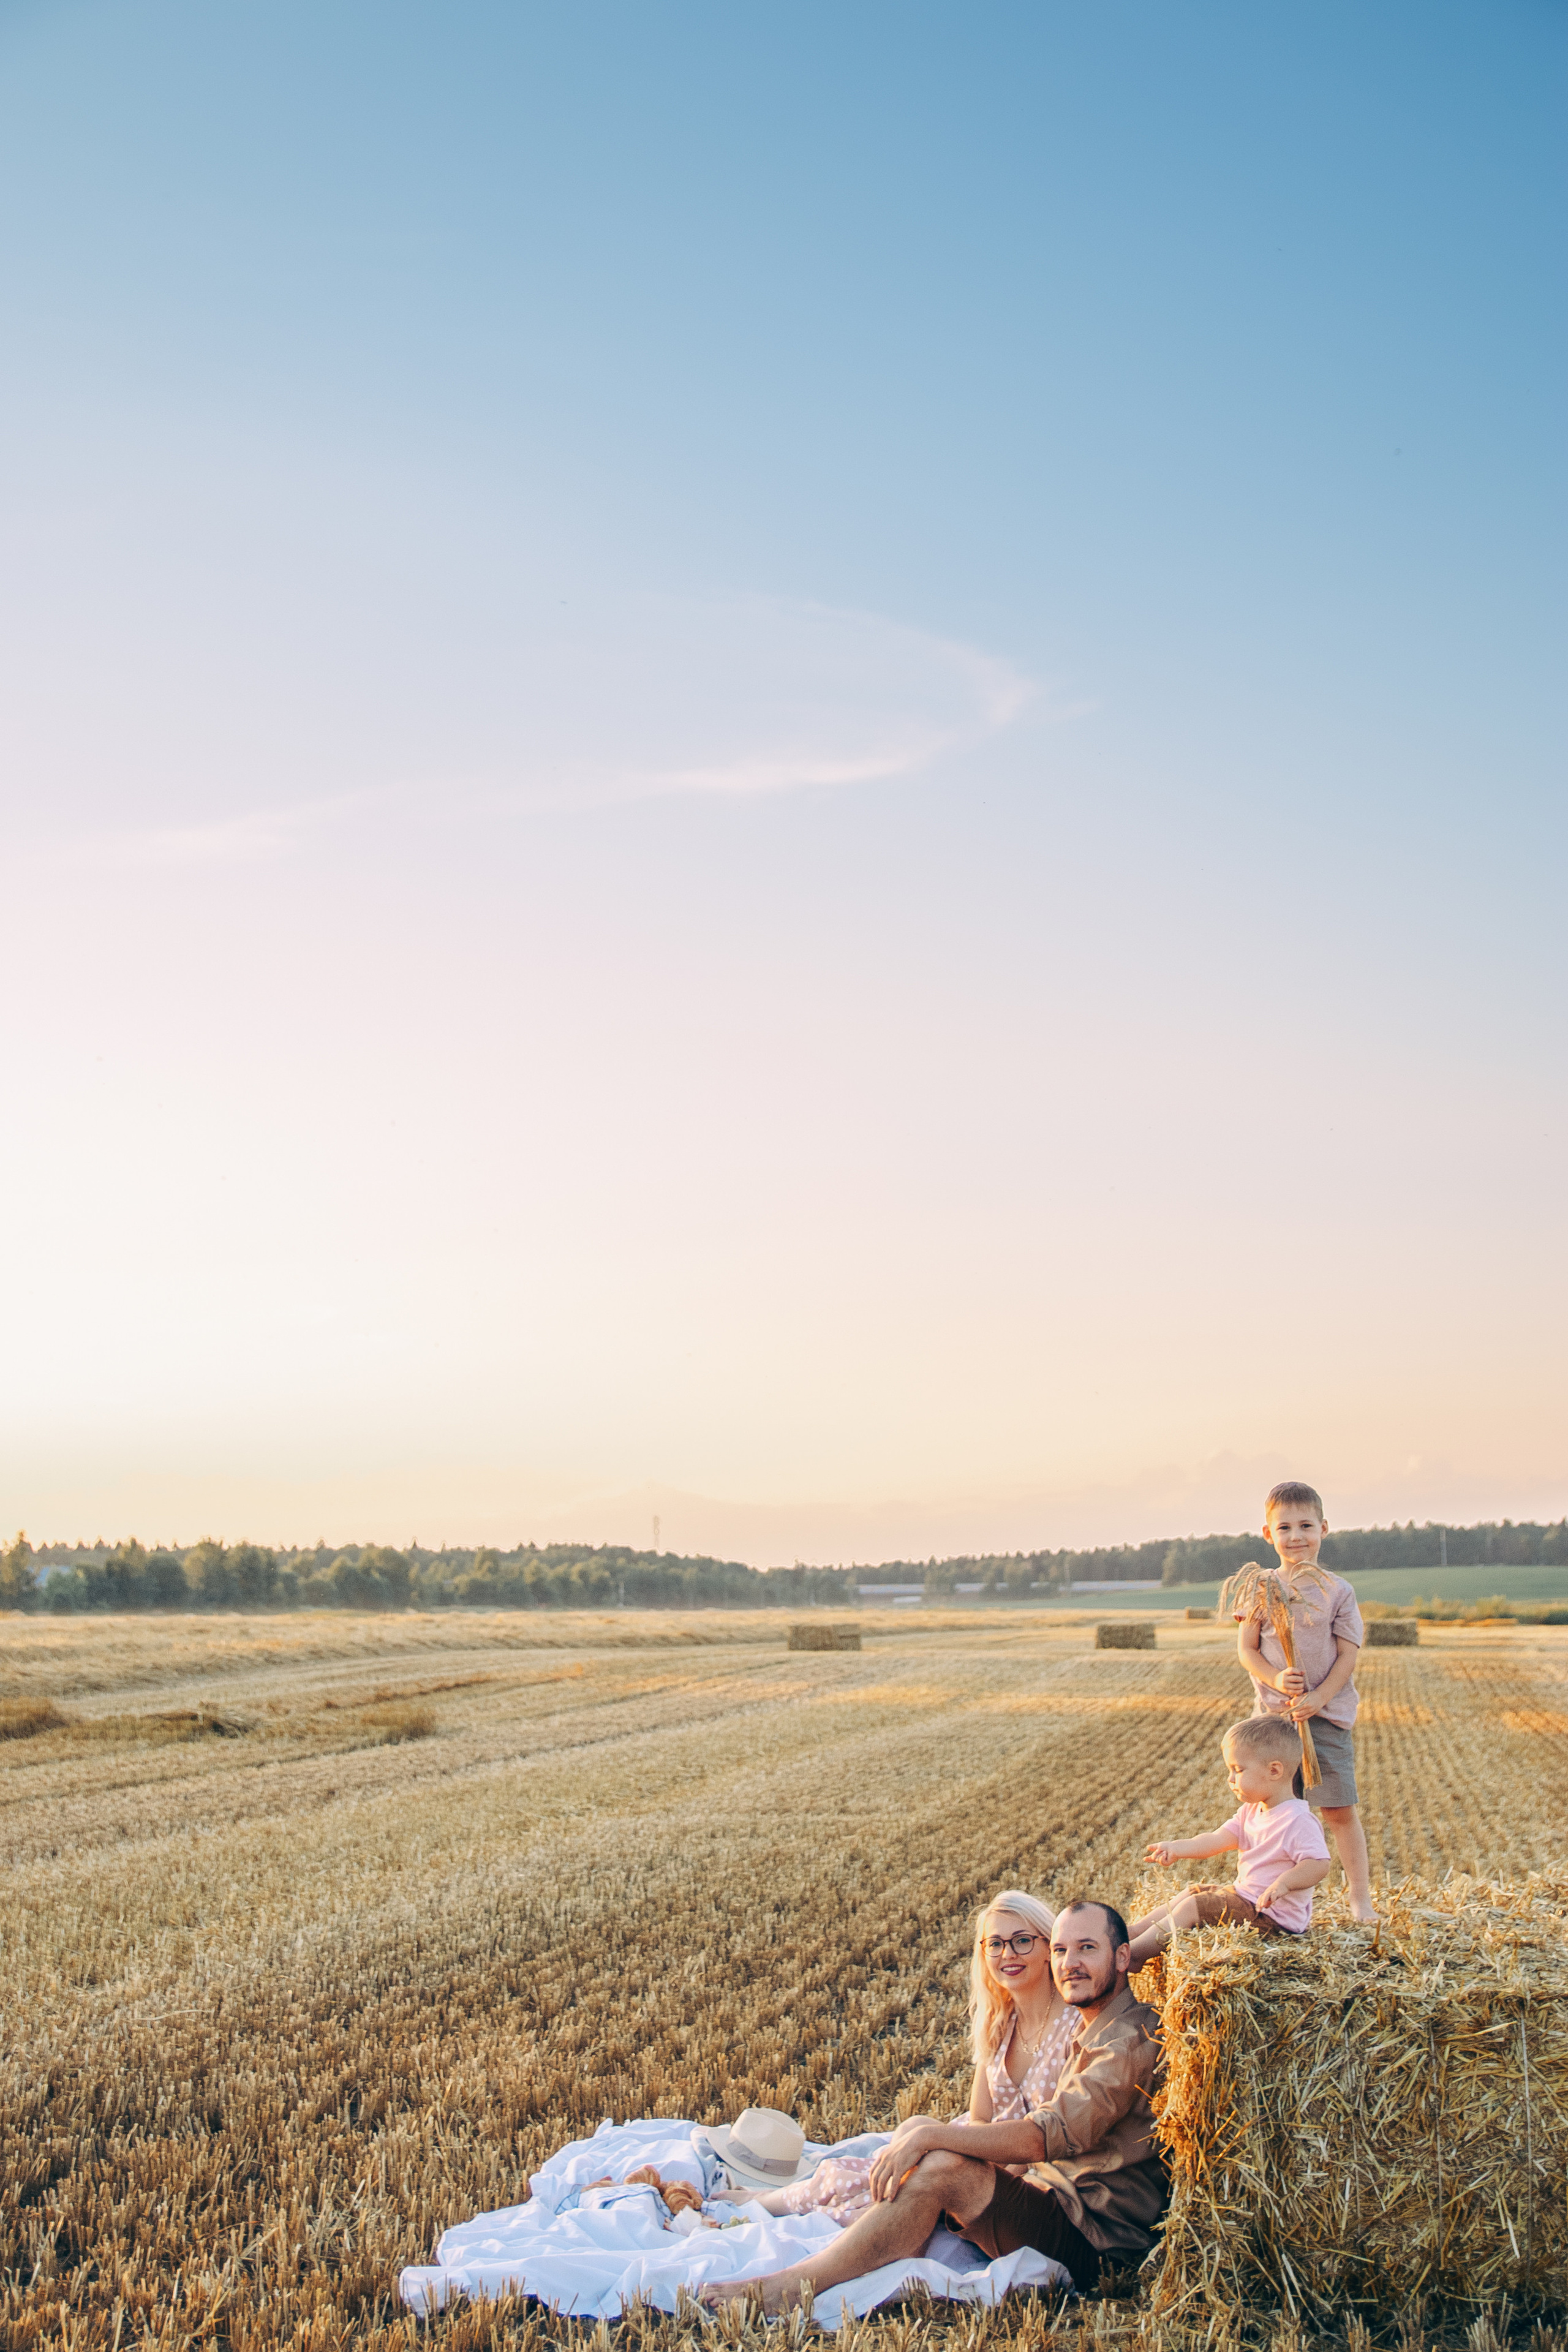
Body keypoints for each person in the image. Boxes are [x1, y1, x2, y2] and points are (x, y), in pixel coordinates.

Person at [700, 1901, 1165, 2313]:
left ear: (1124, 1957)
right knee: (929, 2157)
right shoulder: (1099, 2026)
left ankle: (793, 2285)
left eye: (1087, 1949)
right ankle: (872, 2237)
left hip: (1093, 2242)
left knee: (942, 2164)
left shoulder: (1124, 2044)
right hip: (1055, 2201)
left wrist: (932, 2136)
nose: (1069, 1963)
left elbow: (1044, 2136)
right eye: (1062, 1951)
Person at [739, 1891, 1078, 2230]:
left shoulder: (1075, 2026)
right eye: (995, 1944)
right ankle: (774, 2205)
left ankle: (770, 2205)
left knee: (893, 2174)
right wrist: (966, 2155)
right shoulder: (1000, 2021)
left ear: (1050, 1946)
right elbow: (979, 2117)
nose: (1008, 1954)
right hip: (983, 2152)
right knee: (905, 2138)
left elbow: (1047, 2139)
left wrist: (979, 2170)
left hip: (1028, 2178)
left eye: (1022, 1941)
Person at [1229, 1480, 1376, 1922]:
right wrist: (1276, 1677)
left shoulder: (1339, 1591)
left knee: (1338, 1810)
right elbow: (1247, 1650)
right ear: (1268, 1533)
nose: (1296, 1537)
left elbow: (1348, 1654)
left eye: (1306, 1526)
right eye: (1285, 1527)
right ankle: (1262, 1897)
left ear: (1324, 1528)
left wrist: (1319, 1698)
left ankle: (1360, 1901)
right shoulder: (1260, 1587)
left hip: (1326, 1717)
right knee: (1271, 1816)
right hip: (1274, 1723)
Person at [1125, 1716, 1331, 1966]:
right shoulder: (1251, 1812)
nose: (1230, 1779)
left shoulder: (1298, 1821)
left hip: (1272, 1918)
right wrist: (1177, 1849)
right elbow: (1216, 1840)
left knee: (1195, 1907)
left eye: (1238, 1770)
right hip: (1246, 1900)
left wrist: (1284, 1884)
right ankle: (1134, 1933)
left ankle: (1134, 1956)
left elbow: (1318, 1864)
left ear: (1274, 1771)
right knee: (1193, 1892)